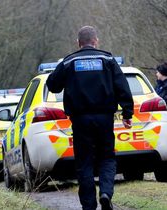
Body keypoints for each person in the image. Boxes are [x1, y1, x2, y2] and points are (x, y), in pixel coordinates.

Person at [47, 26, 134, 210]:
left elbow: (53, 86)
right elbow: (122, 87)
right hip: (104, 118)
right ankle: (105, 193)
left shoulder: (69, 61)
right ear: (96, 41)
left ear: (79, 43)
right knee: (107, 158)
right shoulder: (108, 59)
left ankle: (88, 205)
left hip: (80, 121)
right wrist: (127, 113)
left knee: (84, 162)